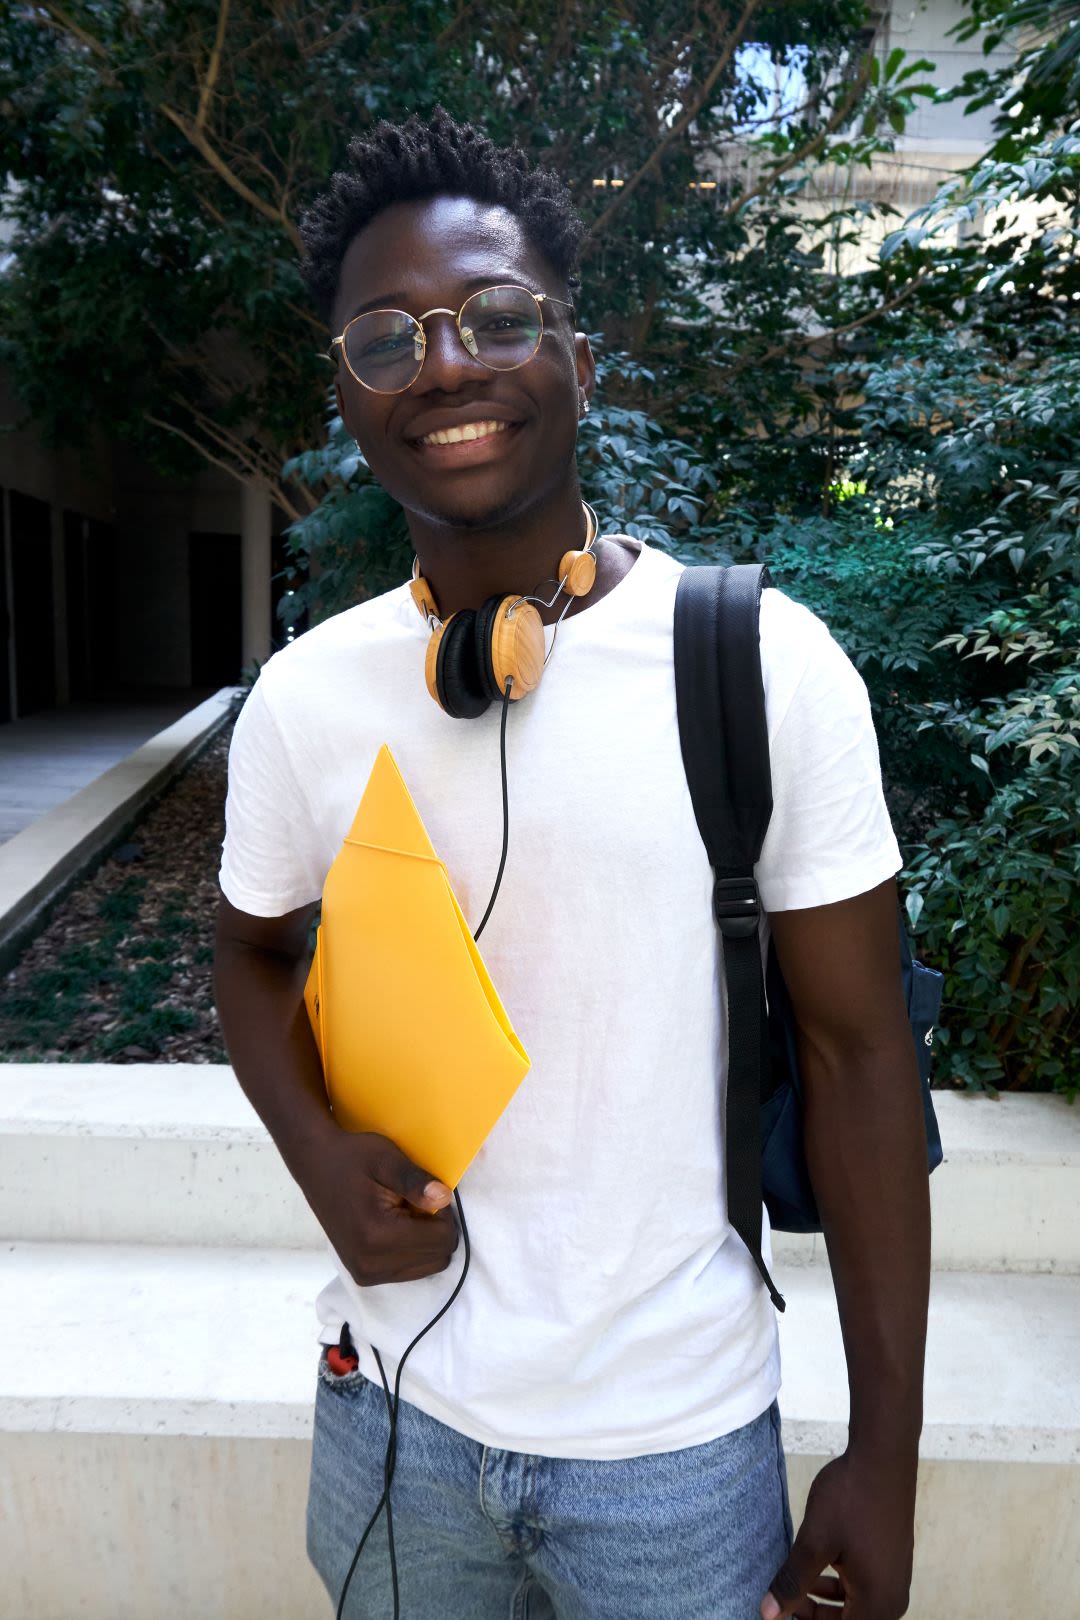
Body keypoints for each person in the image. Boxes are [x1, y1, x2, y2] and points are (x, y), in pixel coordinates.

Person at [213, 109, 930, 1620]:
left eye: (494, 316)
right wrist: (319, 1156)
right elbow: (250, 951)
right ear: (350, 400)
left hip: (672, 1455)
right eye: (387, 341)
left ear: (581, 356)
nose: (449, 364)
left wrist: (884, 1456)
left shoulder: (764, 669)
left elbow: (865, 1059)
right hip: (392, 1420)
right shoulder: (309, 699)